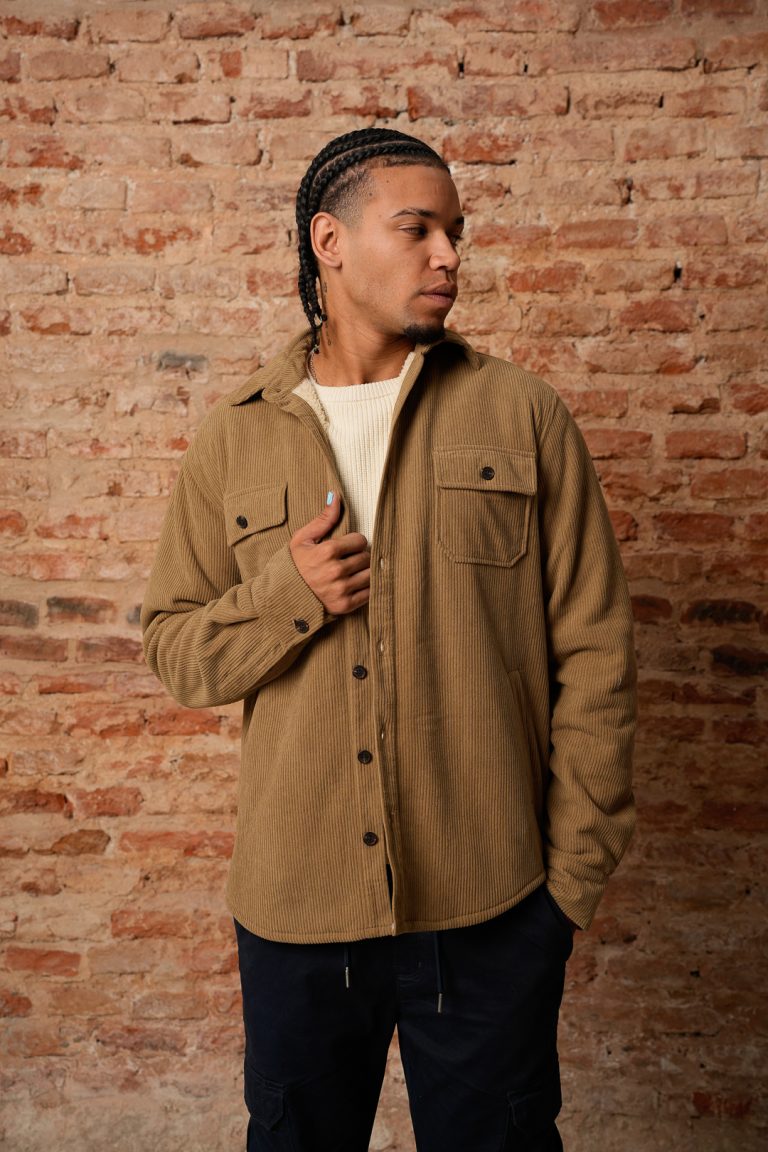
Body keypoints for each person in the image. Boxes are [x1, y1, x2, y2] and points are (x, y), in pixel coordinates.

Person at [142, 127, 636, 1152]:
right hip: (296, 912)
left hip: (492, 904)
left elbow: (595, 656)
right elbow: (178, 651)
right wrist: (289, 594)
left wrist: (565, 891)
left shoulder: (522, 415)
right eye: (417, 229)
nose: (449, 255)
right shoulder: (235, 434)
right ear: (329, 242)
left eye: (455, 232)